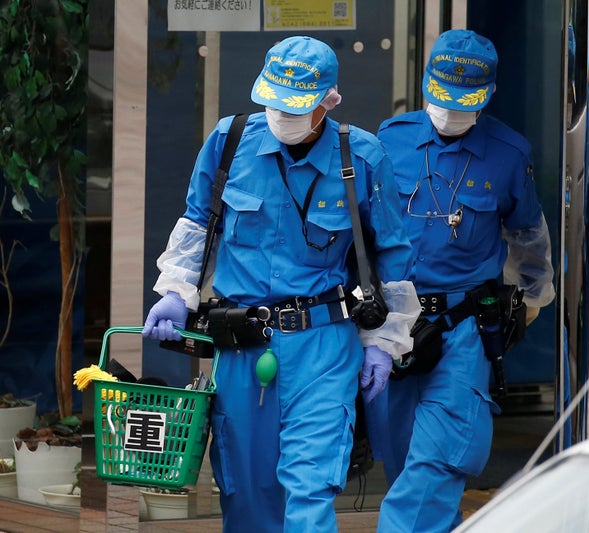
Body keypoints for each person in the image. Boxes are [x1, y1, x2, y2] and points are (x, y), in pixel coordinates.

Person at [141, 36, 419, 532]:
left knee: (309, 485)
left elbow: (391, 255)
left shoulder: (362, 156)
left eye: (296, 107)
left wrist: (384, 340)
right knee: (245, 490)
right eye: (275, 103)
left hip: (323, 346)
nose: (282, 116)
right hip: (242, 344)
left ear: (327, 101)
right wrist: (175, 290)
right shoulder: (230, 141)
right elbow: (198, 221)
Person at [369, 29, 556, 532]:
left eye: (463, 101)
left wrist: (530, 301)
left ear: (487, 94)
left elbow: (528, 239)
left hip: (463, 329)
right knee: (406, 459)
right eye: (442, 97)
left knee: (440, 458)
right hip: (395, 327)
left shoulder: (508, 152)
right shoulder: (390, 139)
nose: (450, 111)